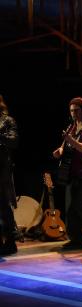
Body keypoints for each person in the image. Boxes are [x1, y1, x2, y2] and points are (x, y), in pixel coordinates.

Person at [52, 97, 82, 250]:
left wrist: (71, 141)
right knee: (69, 209)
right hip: (70, 173)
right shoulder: (72, 127)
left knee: (79, 206)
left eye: (76, 110)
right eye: (71, 110)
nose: (74, 113)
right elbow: (64, 145)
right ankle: (76, 240)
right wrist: (59, 151)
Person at [0, 94, 18, 256]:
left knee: (4, 206)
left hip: (1, 168)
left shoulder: (7, 120)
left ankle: (11, 241)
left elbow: (13, 141)